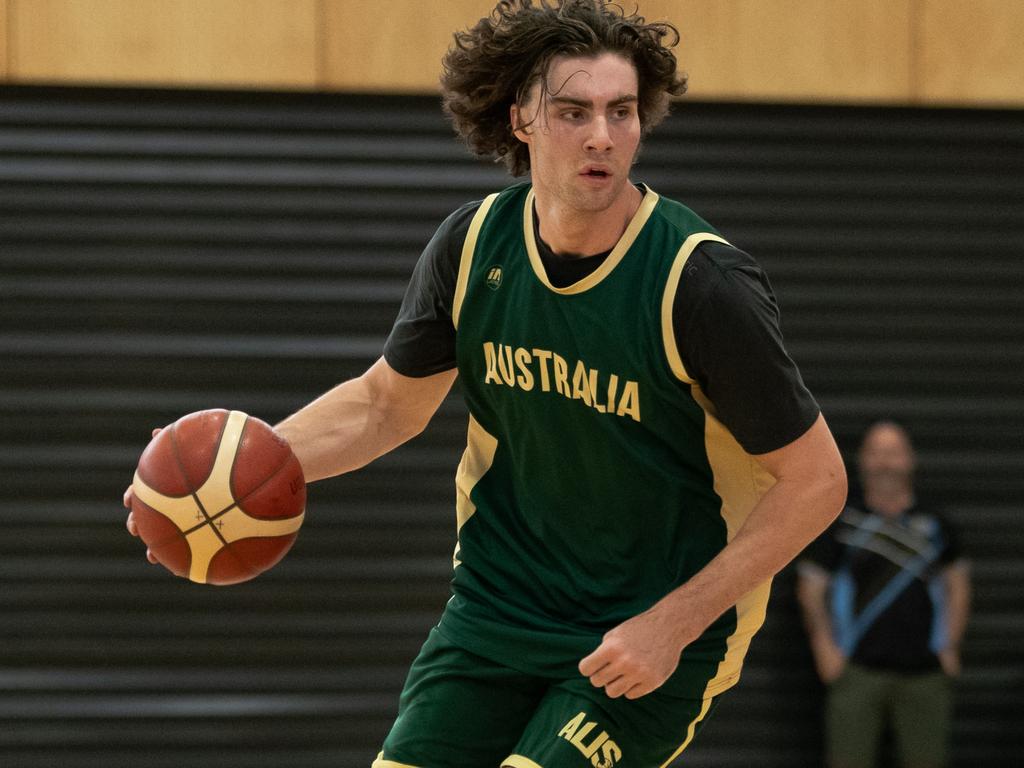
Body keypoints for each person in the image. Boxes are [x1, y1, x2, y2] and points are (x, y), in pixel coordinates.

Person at [126, 1, 847, 765]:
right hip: (498, 612)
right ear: (522, 120)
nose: (603, 135)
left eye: (622, 111)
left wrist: (673, 623)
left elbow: (818, 482)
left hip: (645, 625)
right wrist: (231, 472)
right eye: (574, 111)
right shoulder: (472, 247)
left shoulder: (699, 284)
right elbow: (382, 406)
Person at [796, 420, 971, 768]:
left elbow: (958, 584)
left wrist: (950, 645)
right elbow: (811, 589)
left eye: (893, 452)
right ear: (862, 460)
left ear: (910, 460)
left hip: (925, 674)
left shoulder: (935, 524)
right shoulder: (841, 522)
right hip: (856, 672)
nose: (885, 461)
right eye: (876, 452)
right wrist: (824, 649)